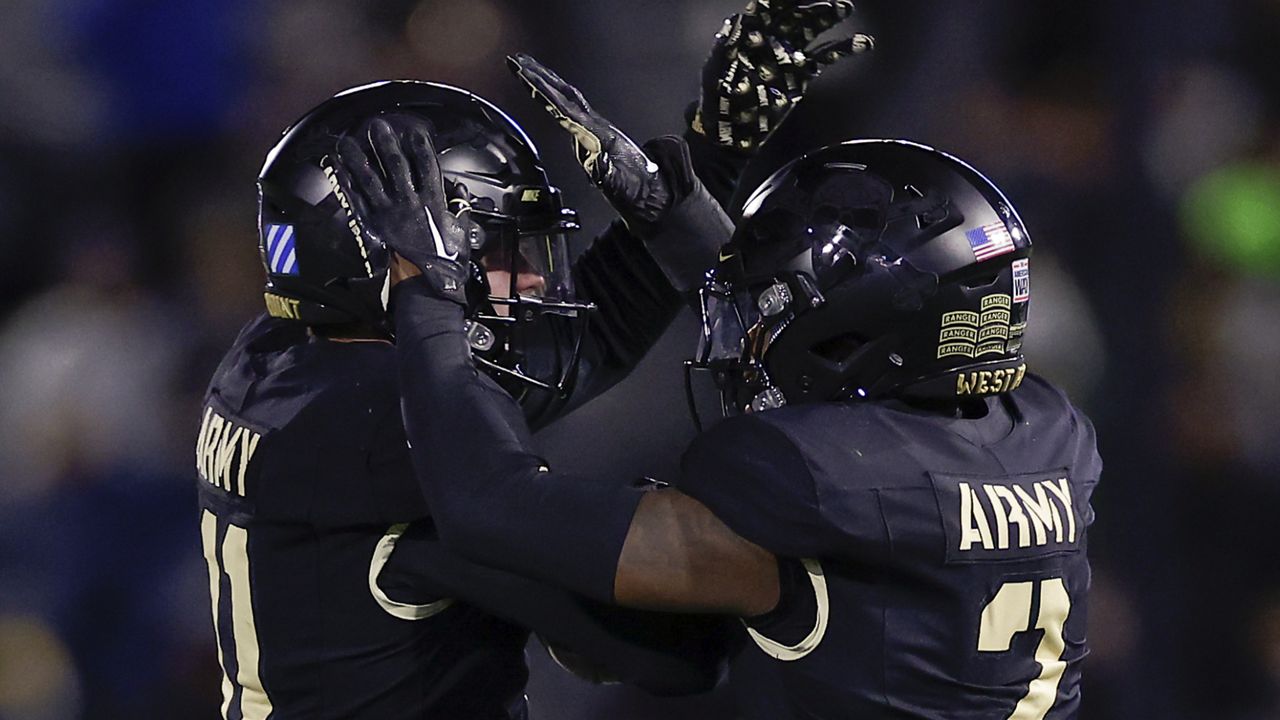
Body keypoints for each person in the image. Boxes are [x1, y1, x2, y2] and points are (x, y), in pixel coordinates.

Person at [357, 58, 1100, 719]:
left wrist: (428, 290)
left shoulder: (812, 476)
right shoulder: (1047, 435)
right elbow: (840, 353)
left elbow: (487, 504)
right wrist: (678, 221)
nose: (753, 339)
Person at [195, 2, 872, 717]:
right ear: (384, 258)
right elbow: (666, 653)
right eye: (493, 254)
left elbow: (569, 348)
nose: (530, 282)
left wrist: (710, 159)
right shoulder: (389, 428)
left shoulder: (275, 361)